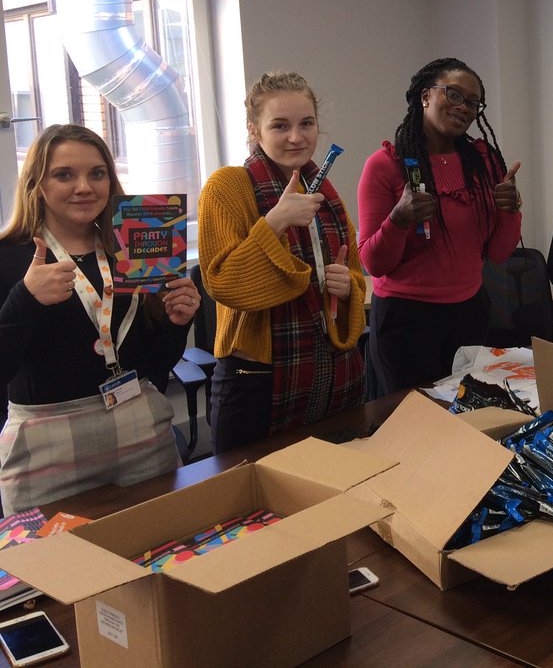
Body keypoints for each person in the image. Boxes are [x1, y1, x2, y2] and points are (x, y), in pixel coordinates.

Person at [0, 124, 198, 511]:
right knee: (57, 552)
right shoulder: (8, 257)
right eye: (64, 175)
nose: (84, 187)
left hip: (140, 431)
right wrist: (25, 299)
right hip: (47, 450)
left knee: (160, 538)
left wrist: (177, 323)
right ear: (37, 183)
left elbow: (155, 363)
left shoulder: (132, 244)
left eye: (97, 173)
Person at [199, 72, 366, 454]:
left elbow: (355, 274)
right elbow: (223, 283)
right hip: (257, 382)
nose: (296, 137)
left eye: (306, 123)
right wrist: (274, 222)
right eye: (280, 126)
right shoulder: (226, 187)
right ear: (254, 129)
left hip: (334, 374)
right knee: (253, 489)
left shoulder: (326, 194)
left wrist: (347, 286)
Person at [357, 57, 522, 394]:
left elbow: (498, 253)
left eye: (473, 103)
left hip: (469, 313)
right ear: (425, 96)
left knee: (462, 411)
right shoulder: (385, 165)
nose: (464, 108)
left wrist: (510, 211)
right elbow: (373, 263)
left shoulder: (484, 162)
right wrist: (398, 219)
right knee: (410, 416)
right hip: (406, 321)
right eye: (454, 94)